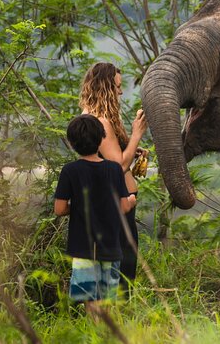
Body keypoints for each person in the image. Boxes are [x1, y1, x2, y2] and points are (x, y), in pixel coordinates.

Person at [79, 62, 148, 295]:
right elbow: (118, 166)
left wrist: (128, 147)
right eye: (117, 87)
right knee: (125, 262)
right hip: (119, 199)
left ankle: (107, 311)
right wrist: (137, 133)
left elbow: (106, 154)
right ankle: (118, 313)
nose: (120, 92)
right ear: (105, 87)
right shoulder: (102, 122)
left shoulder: (87, 115)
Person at [54, 114, 136, 307]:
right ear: (101, 139)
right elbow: (124, 206)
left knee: (90, 300)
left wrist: (82, 205)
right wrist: (132, 200)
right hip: (111, 248)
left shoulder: (69, 171)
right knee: (107, 301)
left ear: (72, 143)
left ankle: (94, 332)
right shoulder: (115, 169)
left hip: (83, 249)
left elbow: (59, 209)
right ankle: (105, 334)